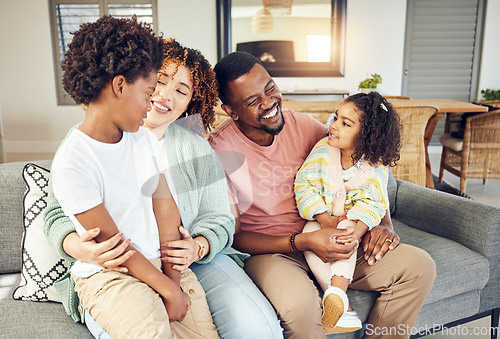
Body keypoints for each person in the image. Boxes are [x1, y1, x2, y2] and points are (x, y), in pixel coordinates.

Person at [44, 38, 283, 339]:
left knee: (256, 328)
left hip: (190, 263)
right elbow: (56, 215)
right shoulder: (91, 142)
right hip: (116, 268)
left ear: (189, 105)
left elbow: (219, 218)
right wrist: (76, 245)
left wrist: (199, 245)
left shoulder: (195, 148)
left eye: (181, 91)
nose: (165, 95)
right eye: (160, 81)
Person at [208, 51, 436, 339]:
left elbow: (368, 170)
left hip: (336, 235)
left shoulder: (306, 127)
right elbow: (234, 237)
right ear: (231, 110)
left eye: (270, 89)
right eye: (253, 101)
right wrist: (303, 240)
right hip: (275, 252)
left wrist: (383, 224)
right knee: (304, 312)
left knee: (418, 268)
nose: (268, 104)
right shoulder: (219, 151)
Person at [47, 17, 218, 338]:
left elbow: (165, 210)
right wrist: (168, 292)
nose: (152, 103)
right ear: (120, 86)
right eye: (148, 93)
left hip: (166, 266)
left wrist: (174, 281)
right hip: (112, 275)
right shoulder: (74, 162)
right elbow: (114, 246)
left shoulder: (141, 140)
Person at [294, 92, 402, 333]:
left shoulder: (375, 167)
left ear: (366, 135)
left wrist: (356, 232)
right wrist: (323, 219)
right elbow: (303, 184)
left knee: (345, 233)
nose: (333, 126)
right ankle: (341, 305)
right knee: (310, 239)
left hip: (352, 223)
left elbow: (374, 203)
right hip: (318, 219)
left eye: (345, 123)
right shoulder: (323, 150)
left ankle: (337, 293)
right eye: (336, 118)